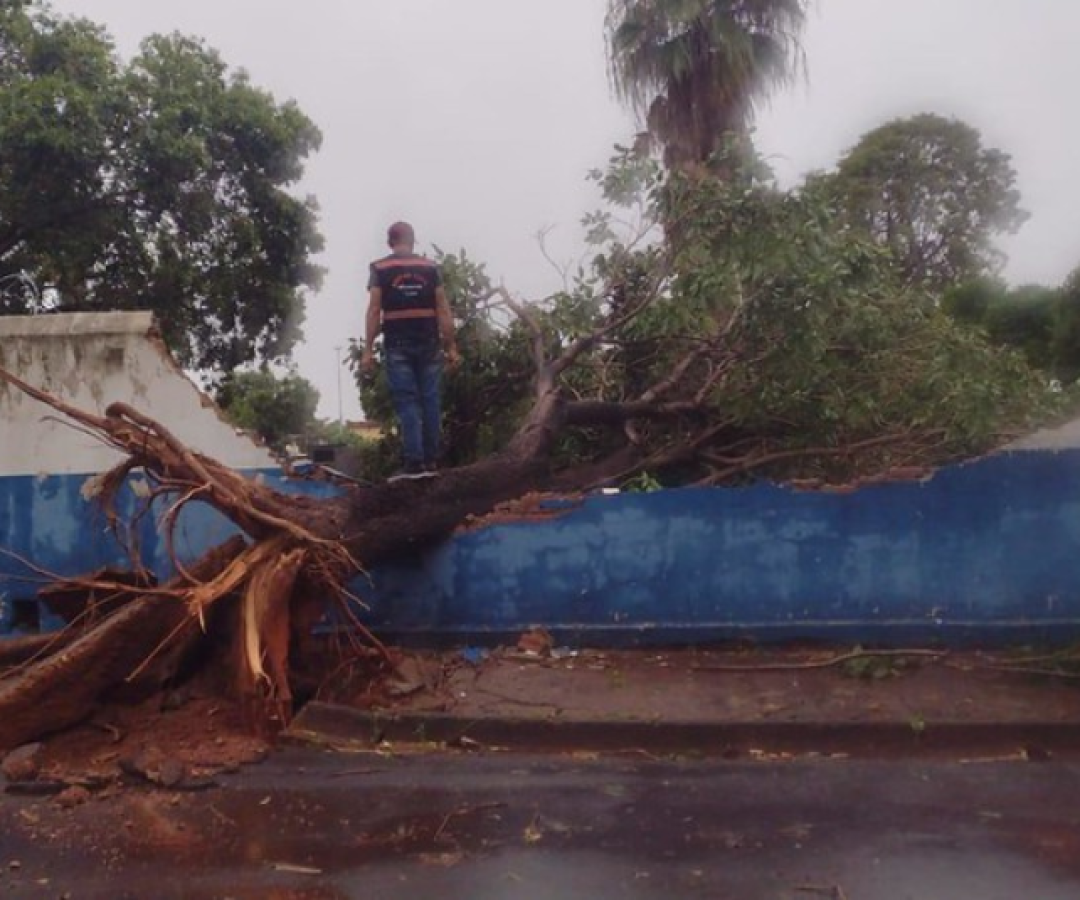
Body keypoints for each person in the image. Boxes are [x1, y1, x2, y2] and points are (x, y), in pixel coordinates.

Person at [362, 222, 460, 482]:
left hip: (397, 345)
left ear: (390, 242)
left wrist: (368, 350)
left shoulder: (379, 269)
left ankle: (414, 464)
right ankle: (431, 461)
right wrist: (451, 347)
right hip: (429, 342)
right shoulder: (430, 268)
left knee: (408, 402)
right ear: (413, 241)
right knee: (430, 400)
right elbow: (443, 307)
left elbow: (374, 310)